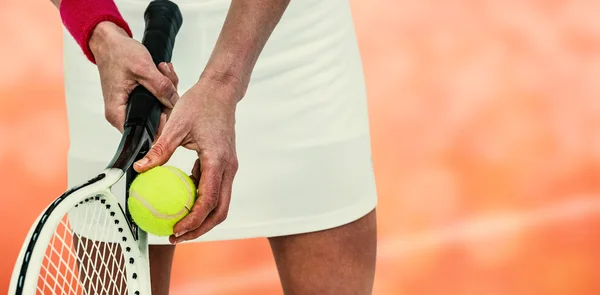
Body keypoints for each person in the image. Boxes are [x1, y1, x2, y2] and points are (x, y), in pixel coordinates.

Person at [55, 0, 377, 294]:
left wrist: (225, 81)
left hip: (287, 32)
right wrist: (100, 32)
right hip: (115, 43)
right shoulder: (105, 39)